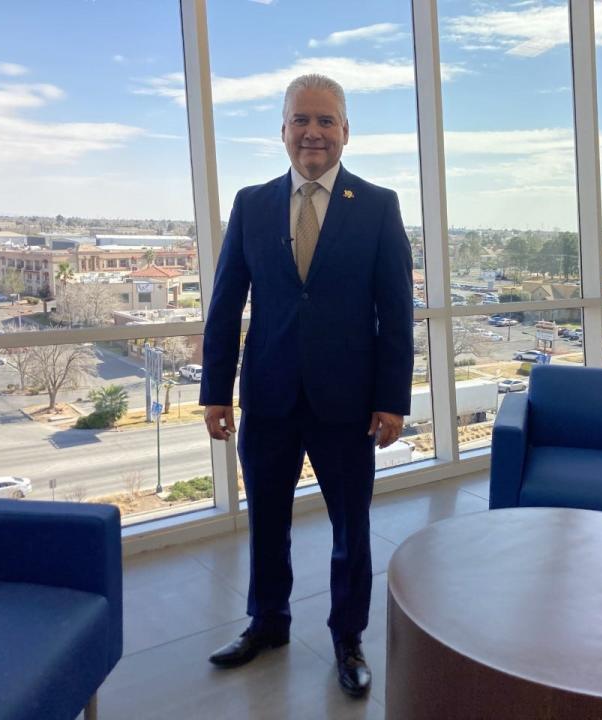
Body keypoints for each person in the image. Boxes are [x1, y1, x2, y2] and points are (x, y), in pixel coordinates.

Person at [201, 74, 413, 698]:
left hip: (347, 403)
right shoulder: (250, 203)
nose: (313, 132)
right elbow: (224, 306)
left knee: (351, 527)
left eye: (326, 121)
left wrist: (392, 400)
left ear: (346, 132)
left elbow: (394, 313)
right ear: (284, 131)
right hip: (267, 397)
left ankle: (348, 637)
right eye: (301, 120)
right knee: (267, 519)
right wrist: (216, 392)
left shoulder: (378, 205)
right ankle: (267, 622)